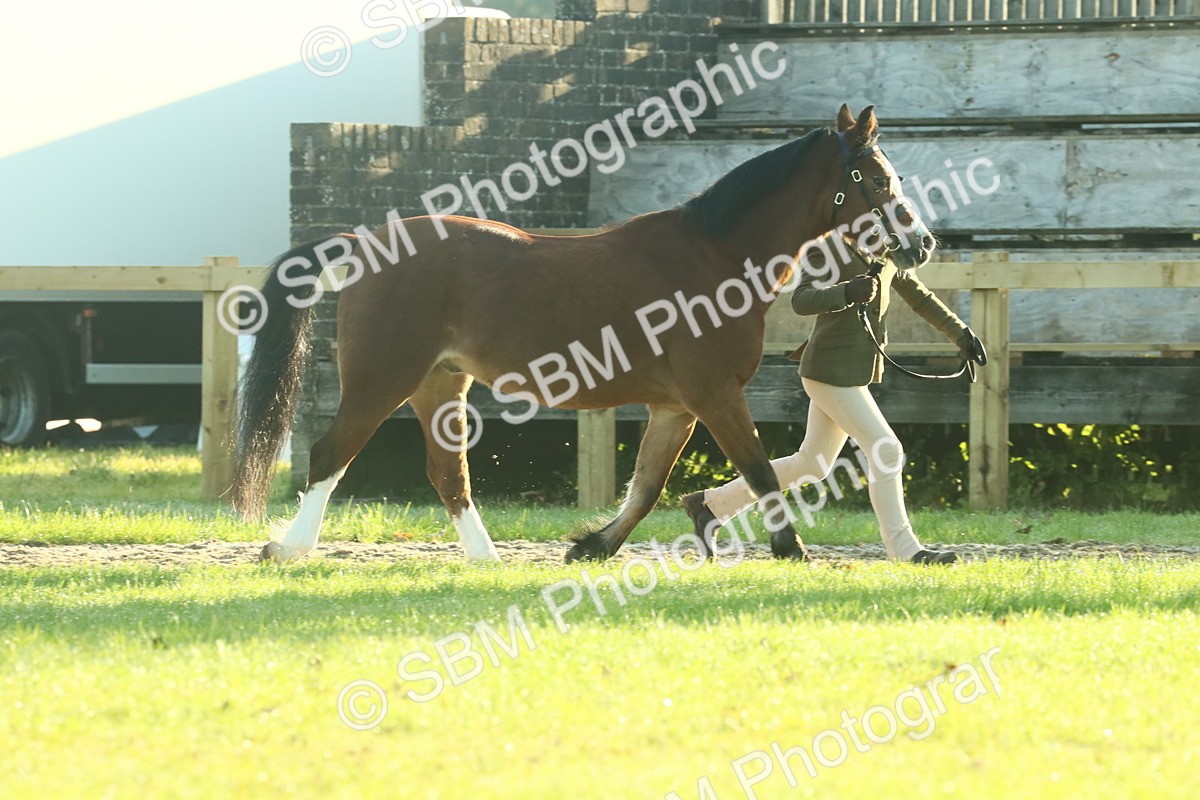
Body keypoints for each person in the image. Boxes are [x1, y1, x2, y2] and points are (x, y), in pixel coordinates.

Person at [681, 249, 986, 564]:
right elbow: (801, 299)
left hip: (852, 374)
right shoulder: (830, 245)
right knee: (886, 449)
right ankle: (906, 551)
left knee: (813, 463)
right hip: (827, 371)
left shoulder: (887, 251)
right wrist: (846, 293)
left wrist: (960, 334)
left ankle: (711, 507)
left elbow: (920, 297)